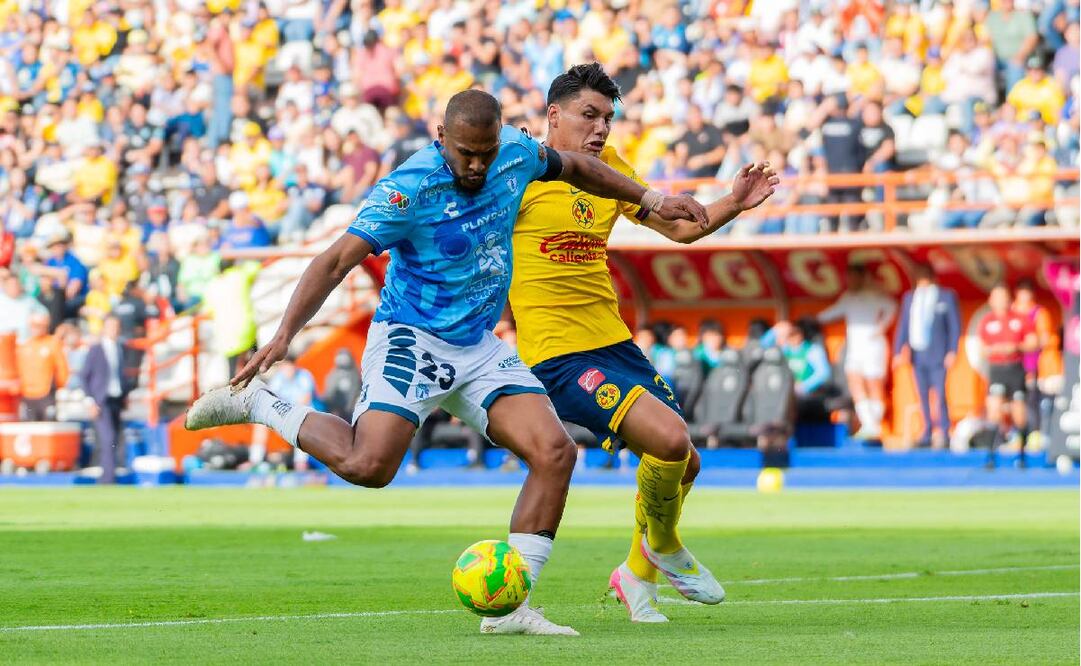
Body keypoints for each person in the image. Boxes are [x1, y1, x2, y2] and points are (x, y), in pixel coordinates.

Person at [185, 89, 707, 636]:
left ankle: (510, 608)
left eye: (485, 152)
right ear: (442, 138)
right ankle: (262, 404)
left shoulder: (517, 154)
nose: (477, 165)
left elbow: (578, 167)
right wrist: (285, 334)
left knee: (554, 453)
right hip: (413, 338)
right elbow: (336, 258)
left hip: (478, 346)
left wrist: (650, 199)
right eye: (465, 154)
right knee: (370, 468)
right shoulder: (408, 189)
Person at [508, 64, 777, 623]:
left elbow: (678, 229)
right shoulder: (519, 172)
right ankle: (666, 547)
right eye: (589, 115)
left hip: (613, 343)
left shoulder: (609, 171)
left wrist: (732, 204)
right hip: (556, 352)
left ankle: (635, 577)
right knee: (670, 438)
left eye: (608, 117)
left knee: (686, 463)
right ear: (552, 116)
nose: (601, 128)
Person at [817, 265, 897, 441]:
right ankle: (867, 423)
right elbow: (831, 313)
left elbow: (892, 307)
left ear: (862, 278)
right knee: (855, 381)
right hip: (856, 348)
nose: (850, 281)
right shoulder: (849, 297)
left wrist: (881, 326)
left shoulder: (874, 295)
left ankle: (874, 425)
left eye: (853, 277)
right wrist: (810, 319)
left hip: (873, 346)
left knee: (873, 384)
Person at [893, 265, 962, 449]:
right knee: (921, 394)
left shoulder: (945, 296)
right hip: (918, 354)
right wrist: (898, 350)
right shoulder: (910, 298)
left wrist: (952, 350)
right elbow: (904, 326)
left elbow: (954, 326)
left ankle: (944, 430)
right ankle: (927, 430)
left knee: (939, 394)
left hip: (938, 353)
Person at [977, 284, 1037, 468]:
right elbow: (981, 348)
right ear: (991, 301)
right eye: (997, 298)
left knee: (1018, 412)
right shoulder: (987, 321)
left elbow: (1033, 342)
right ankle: (990, 455)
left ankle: (1021, 455)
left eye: (1003, 297)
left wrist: (1016, 347)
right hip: (997, 369)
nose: (1001, 301)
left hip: (1015, 368)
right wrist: (993, 349)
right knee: (994, 410)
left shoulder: (1020, 319)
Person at [80, 315, 132, 484]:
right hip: (101, 401)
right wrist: (90, 401)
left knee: (115, 439)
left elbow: (120, 376)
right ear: (104, 328)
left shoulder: (120, 348)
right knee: (107, 438)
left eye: (116, 326)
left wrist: (125, 396)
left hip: (116, 399)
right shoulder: (96, 349)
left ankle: (109, 476)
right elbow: (85, 377)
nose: (114, 330)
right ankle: (108, 480)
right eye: (111, 326)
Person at [15, 312, 68, 421]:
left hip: (46, 394)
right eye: (33, 325)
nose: (36, 329)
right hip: (27, 395)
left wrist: (59, 386)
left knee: (48, 427)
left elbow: (62, 368)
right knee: (29, 429)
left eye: (39, 325)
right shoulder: (25, 346)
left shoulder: (53, 343)